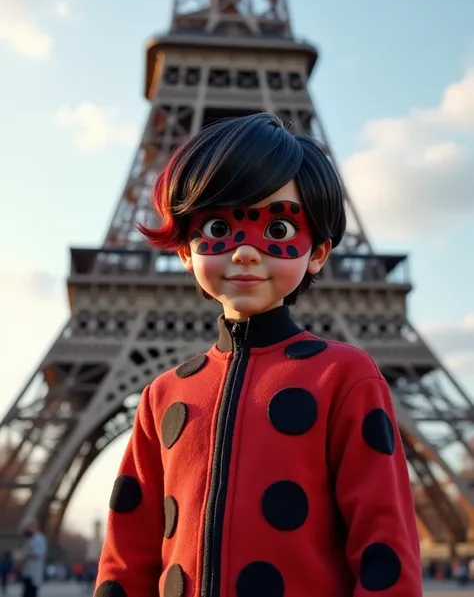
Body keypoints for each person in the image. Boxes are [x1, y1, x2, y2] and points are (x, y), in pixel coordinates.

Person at [94, 113, 422, 597]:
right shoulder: (162, 396)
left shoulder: (345, 377)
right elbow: (127, 553)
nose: (246, 253)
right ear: (185, 249)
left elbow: (384, 546)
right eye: (219, 226)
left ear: (318, 253)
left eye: (280, 228)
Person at [16, 520, 47, 597]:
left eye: (28, 527)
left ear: (34, 527)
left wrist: (24, 555)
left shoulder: (39, 539)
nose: (27, 529)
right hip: (28, 572)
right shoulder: (31, 539)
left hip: (33, 573)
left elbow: (38, 554)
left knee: (30, 593)